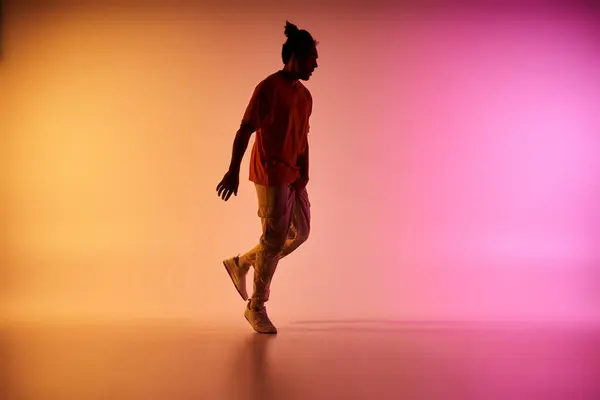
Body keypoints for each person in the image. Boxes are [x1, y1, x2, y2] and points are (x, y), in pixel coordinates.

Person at [216, 21, 319, 334]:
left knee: (300, 233)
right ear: (296, 56)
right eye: (312, 57)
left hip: (293, 173)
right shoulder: (268, 89)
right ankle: (256, 306)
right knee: (273, 241)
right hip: (270, 171)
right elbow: (245, 129)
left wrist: (305, 173)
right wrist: (232, 171)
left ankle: (243, 262)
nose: (316, 64)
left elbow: (302, 137)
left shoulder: (306, 96)